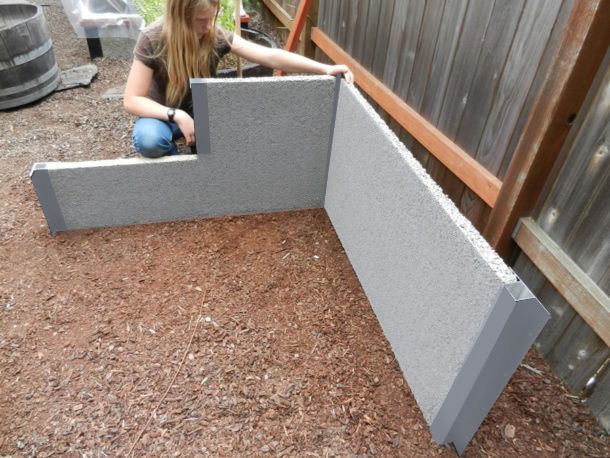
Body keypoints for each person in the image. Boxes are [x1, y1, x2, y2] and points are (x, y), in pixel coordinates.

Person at [123, 0, 354, 158]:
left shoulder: (213, 36)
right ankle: (178, 177)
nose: (208, 26)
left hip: (201, 112)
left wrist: (325, 68)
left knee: (238, 139)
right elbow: (132, 99)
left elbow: (269, 55)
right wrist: (176, 115)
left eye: (211, 18)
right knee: (151, 141)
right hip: (162, 114)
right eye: (200, 20)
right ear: (179, 17)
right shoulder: (152, 38)